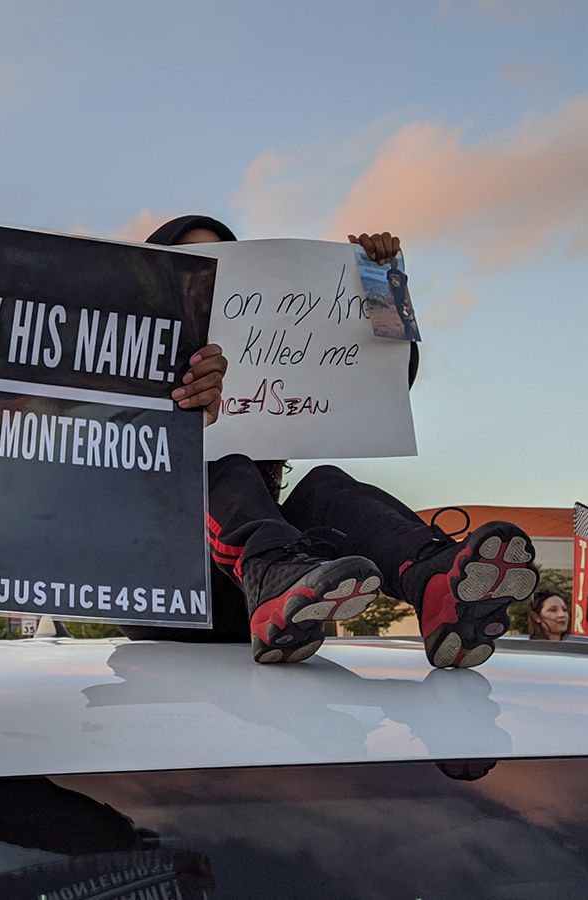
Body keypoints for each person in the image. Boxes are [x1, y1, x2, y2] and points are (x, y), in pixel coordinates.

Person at [123, 215, 539, 670]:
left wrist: (380, 286)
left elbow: (380, 381)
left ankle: (435, 583)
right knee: (224, 463)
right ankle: (271, 572)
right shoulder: (115, 367)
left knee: (325, 486)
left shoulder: (256, 336)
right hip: (164, 596)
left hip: (270, 602)